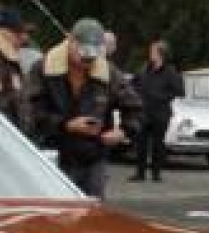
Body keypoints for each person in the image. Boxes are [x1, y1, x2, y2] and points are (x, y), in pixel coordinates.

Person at [30, 19, 142, 199]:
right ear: (70, 41)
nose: (87, 60)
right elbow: (31, 112)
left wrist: (122, 131)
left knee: (92, 217)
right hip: (53, 156)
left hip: (93, 159)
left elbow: (136, 108)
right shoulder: (43, 69)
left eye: (93, 55)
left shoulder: (108, 73)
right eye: (83, 52)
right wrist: (66, 125)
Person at [131, 40, 184, 182]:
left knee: (157, 144)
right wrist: (136, 97)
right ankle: (140, 173)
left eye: (153, 51)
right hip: (144, 112)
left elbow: (179, 91)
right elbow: (133, 84)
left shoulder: (170, 71)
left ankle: (156, 173)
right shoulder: (144, 69)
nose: (150, 54)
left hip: (160, 113)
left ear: (161, 53)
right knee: (140, 143)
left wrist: (162, 97)